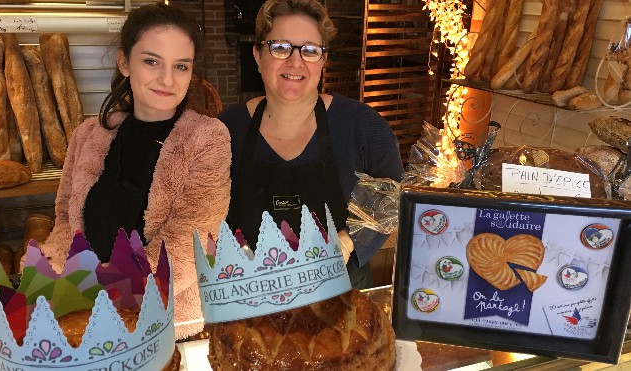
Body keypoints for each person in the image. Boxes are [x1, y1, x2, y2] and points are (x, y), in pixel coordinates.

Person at [36, 2, 231, 340]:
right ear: (124, 62)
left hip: (166, 324)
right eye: (151, 61)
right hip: (86, 319)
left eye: (181, 66)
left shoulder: (208, 138)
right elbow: (66, 224)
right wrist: (60, 283)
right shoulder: (86, 136)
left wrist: (109, 302)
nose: (167, 79)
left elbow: (188, 244)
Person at [218, 0, 403, 289]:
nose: (295, 62)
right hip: (250, 296)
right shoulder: (226, 129)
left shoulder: (363, 126)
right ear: (257, 54)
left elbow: (390, 199)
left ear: (323, 60)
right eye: (280, 47)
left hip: (342, 298)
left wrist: (347, 242)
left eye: (310, 50)